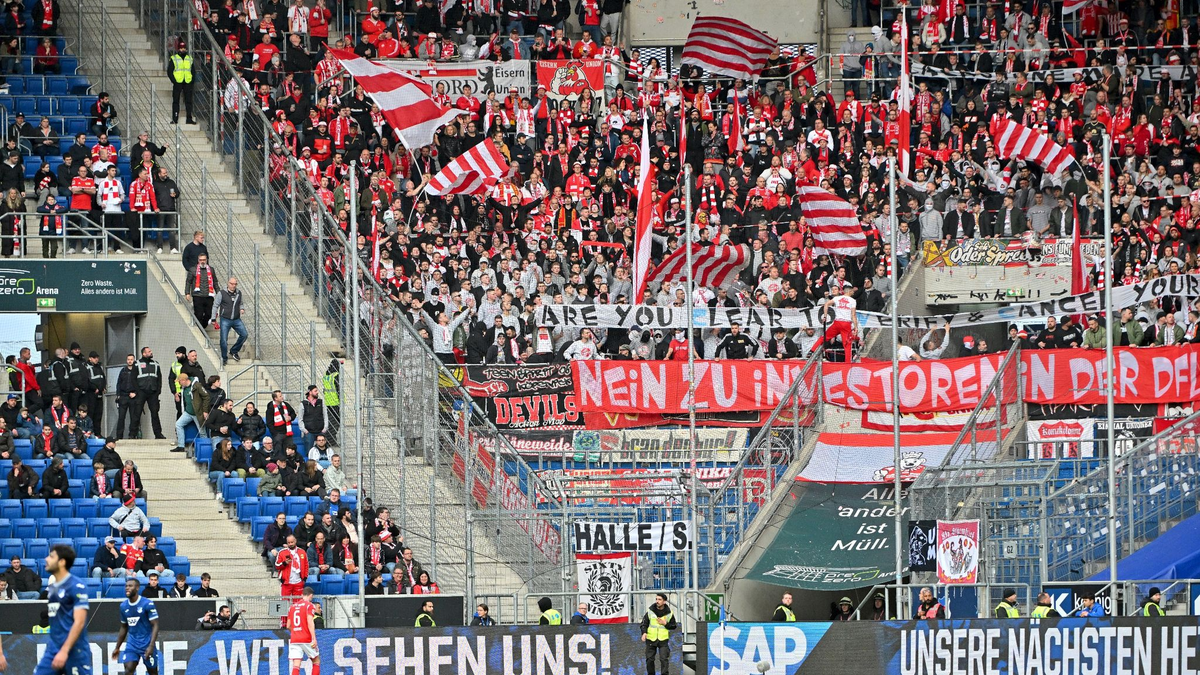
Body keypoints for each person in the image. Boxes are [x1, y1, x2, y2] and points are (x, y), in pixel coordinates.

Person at [34, 545, 90, 675]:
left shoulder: (77, 586)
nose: (46, 559)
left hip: (75, 650)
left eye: (51, 556)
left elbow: (80, 622)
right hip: (53, 649)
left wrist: (64, 650)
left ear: (62, 562)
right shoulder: (52, 589)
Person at [112, 578, 160, 675]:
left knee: (153, 672)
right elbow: (124, 627)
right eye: (126, 586)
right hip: (132, 644)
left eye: (130, 586)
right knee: (128, 670)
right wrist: (117, 647)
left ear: (137, 588)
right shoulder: (123, 606)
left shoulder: (147, 604)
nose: (127, 588)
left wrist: (151, 646)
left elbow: (155, 625)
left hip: (147, 644)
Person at [212, 277, 247, 366]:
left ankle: (234, 351)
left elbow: (241, 303)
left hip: (236, 319)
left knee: (244, 334)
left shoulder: (239, 293)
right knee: (223, 339)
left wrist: (242, 309)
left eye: (235, 284)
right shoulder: (222, 293)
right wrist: (213, 318)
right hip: (225, 319)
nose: (233, 286)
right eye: (232, 284)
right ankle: (224, 357)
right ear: (228, 283)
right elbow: (215, 305)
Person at [287, 587, 321, 675]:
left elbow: (288, 625)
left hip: (294, 639)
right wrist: (314, 638)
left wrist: (295, 632)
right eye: (312, 597)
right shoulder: (310, 605)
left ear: (302, 595)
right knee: (316, 660)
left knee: (296, 664)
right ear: (311, 595)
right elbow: (310, 621)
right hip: (306, 638)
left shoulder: (292, 607)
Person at [640, 593, 675, 675]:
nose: (657, 601)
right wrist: (644, 633)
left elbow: (673, 626)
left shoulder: (669, 613)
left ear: (664, 601)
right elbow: (644, 624)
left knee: (664, 659)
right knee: (649, 659)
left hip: (663, 639)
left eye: (659, 599)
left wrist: (665, 623)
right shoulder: (650, 611)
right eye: (656, 599)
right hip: (651, 638)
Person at [135, 347, 166, 441]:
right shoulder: (137, 364)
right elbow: (133, 378)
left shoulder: (156, 364)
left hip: (153, 392)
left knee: (155, 413)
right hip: (141, 392)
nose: (151, 352)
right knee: (136, 413)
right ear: (144, 354)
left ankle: (158, 433)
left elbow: (159, 378)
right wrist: (137, 391)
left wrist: (158, 391)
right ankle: (132, 433)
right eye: (149, 351)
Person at [275, 535, 309, 601]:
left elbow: (306, 565)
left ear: (295, 541)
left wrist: (304, 578)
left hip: (298, 582)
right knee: (284, 603)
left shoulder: (302, 552)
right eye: (289, 542)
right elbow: (277, 566)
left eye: (292, 542)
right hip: (286, 582)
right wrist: (284, 563)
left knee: (298, 603)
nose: (290, 544)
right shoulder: (282, 552)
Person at [168, 41, 196, 125]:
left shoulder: (189, 58)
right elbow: (170, 71)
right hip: (178, 82)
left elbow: (193, 71)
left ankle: (189, 118)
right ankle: (175, 118)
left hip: (187, 82)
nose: (182, 49)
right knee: (176, 101)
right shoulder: (174, 58)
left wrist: (192, 81)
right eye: (181, 48)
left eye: (184, 48)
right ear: (178, 49)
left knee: (188, 101)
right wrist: (174, 81)